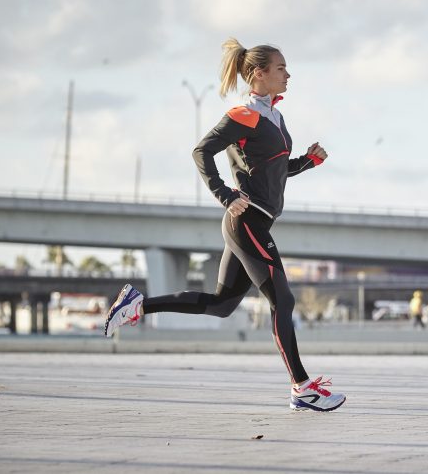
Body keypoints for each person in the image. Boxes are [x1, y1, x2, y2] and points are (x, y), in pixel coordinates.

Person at [104, 38, 345, 412]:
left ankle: (138, 305)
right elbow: (201, 151)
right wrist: (225, 194)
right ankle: (302, 387)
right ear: (258, 74)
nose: (288, 74)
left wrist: (308, 162)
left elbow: (273, 171)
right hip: (246, 221)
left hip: (254, 223)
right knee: (283, 299)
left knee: (221, 305)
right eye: (281, 68)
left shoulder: (274, 118)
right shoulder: (244, 114)